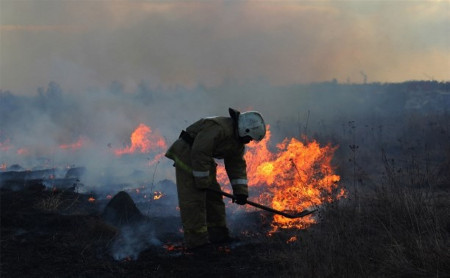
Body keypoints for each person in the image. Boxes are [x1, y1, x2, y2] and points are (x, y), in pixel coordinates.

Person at [165, 108, 266, 251]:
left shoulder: (237, 142)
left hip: (203, 161)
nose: (249, 141)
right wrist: (201, 182)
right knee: (194, 201)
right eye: (249, 138)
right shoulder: (218, 128)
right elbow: (200, 151)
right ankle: (197, 244)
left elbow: (236, 164)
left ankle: (218, 235)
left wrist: (241, 192)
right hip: (188, 156)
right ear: (245, 129)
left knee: (214, 198)